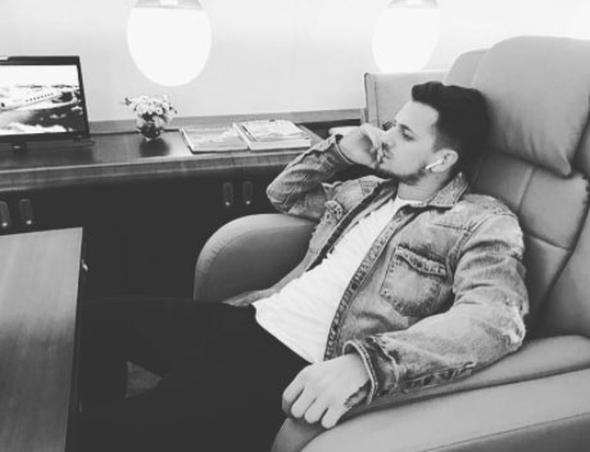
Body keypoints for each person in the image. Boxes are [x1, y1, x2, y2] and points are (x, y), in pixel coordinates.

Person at [78, 81, 529, 452]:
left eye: (406, 135)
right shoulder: (367, 190)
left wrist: (368, 365)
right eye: (392, 124)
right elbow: (283, 194)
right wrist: (340, 153)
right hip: (249, 316)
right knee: (90, 321)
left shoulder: (481, 221)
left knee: (95, 435)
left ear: (442, 159)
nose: (387, 137)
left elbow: (494, 319)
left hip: (290, 361)